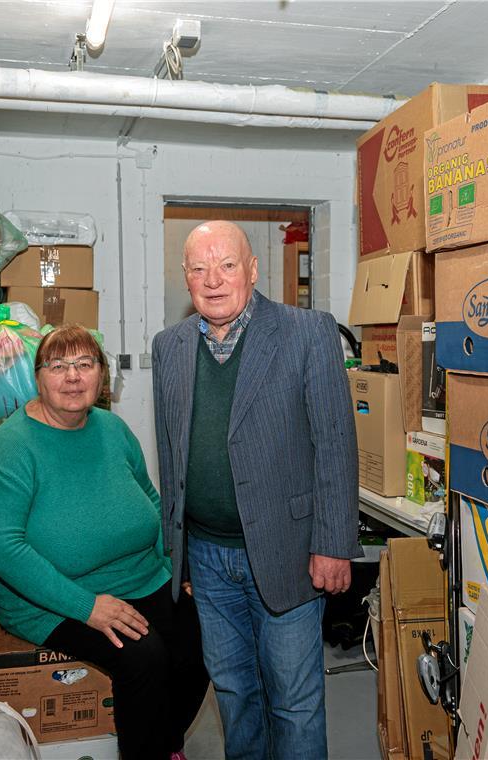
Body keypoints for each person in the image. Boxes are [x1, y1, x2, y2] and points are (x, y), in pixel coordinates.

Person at [152, 221, 361, 760]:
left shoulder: (307, 332)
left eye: (226, 265)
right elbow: (172, 453)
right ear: (185, 278)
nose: (213, 279)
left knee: (293, 701)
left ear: (253, 270)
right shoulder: (170, 346)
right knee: (234, 693)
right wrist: (180, 558)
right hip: (207, 557)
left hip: (289, 552)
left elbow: (335, 443)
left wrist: (333, 542)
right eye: (199, 268)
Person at [0, 325, 209, 760]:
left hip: (139, 575)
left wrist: (178, 569)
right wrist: (88, 607)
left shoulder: (113, 429)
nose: (73, 377)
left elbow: (152, 500)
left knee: (203, 638)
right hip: (51, 598)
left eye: (85, 365)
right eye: (59, 366)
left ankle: (162, 741)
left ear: (101, 376)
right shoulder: (12, 445)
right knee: (144, 656)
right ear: (38, 377)